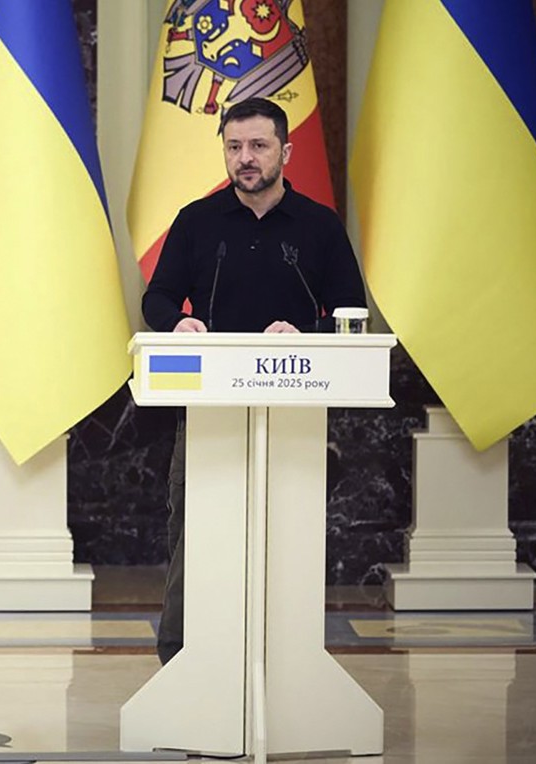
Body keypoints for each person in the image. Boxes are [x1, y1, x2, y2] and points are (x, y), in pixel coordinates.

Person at [141, 97, 367, 664]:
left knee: (288, 535)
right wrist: (178, 322)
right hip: (210, 409)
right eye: (234, 146)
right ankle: (182, 658)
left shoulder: (319, 225)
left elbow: (350, 312)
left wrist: (307, 332)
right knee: (194, 533)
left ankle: (285, 658)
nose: (245, 158)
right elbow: (157, 297)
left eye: (259, 146)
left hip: (295, 409)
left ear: (285, 152)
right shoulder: (197, 220)